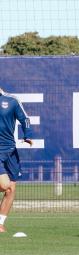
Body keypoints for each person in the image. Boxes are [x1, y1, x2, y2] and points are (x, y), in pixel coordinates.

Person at [0, 87, 33, 232]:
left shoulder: (12, 100)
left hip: (11, 151)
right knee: (4, 186)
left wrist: (27, 135)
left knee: (11, 189)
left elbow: (24, 119)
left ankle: (0, 224)